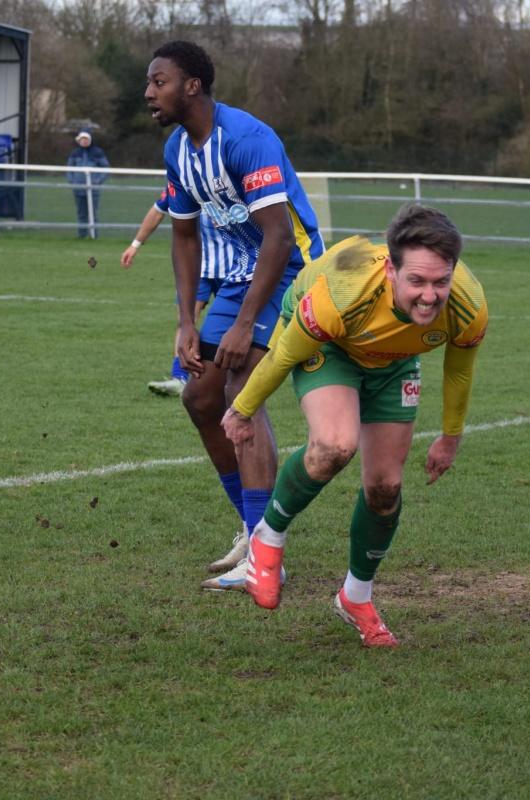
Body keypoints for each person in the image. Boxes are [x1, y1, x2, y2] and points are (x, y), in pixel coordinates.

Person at [221, 204, 488, 647]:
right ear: (390, 271)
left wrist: (450, 437)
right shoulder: (343, 294)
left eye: (441, 282)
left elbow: (459, 371)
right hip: (331, 347)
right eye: (417, 282)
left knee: (385, 488)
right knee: (334, 445)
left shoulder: (467, 305)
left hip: (394, 363)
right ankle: (267, 536)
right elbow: (283, 355)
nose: (430, 295)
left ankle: (355, 597)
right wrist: (242, 410)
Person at [146, 40, 325, 591]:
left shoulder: (246, 138)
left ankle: (267, 558)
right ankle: (253, 531)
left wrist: (245, 324)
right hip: (240, 276)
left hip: (291, 268)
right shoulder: (177, 149)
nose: (149, 92)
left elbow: (278, 236)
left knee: (241, 389)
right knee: (201, 397)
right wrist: (185, 321)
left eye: (159, 81)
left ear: (192, 85)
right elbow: (183, 237)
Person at [121, 187, 226, 397]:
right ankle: (180, 378)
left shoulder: (228, 179)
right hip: (197, 268)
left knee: (232, 325)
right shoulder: (182, 180)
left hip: (234, 268)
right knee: (185, 321)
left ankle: (233, 380)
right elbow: (158, 210)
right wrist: (135, 244)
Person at [66, 130, 109, 239]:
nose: (84, 141)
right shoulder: (75, 153)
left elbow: (105, 168)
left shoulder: (98, 152)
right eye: (82, 139)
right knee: (81, 213)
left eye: (86, 139)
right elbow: (69, 169)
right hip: (78, 188)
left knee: (93, 213)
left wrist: (98, 181)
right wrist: (72, 181)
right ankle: (82, 236)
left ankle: (94, 236)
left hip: (93, 189)